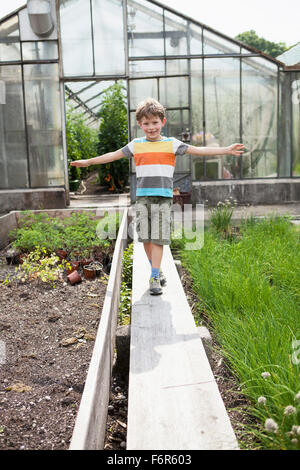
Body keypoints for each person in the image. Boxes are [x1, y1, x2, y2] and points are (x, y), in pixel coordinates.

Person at [70, 97, 244, 295]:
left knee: (159, 238)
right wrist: (89, 162)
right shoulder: (136, 145)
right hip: (143, 199)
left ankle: (153, 277)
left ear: (163, 122)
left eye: (154, 122)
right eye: (146, 123)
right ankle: (157, 269)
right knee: (146, 239)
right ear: (140, 124)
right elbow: (112, 155)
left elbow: (199, 150)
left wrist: (226, 150)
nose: (151, 127)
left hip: (163, 198)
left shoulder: (171, 144)